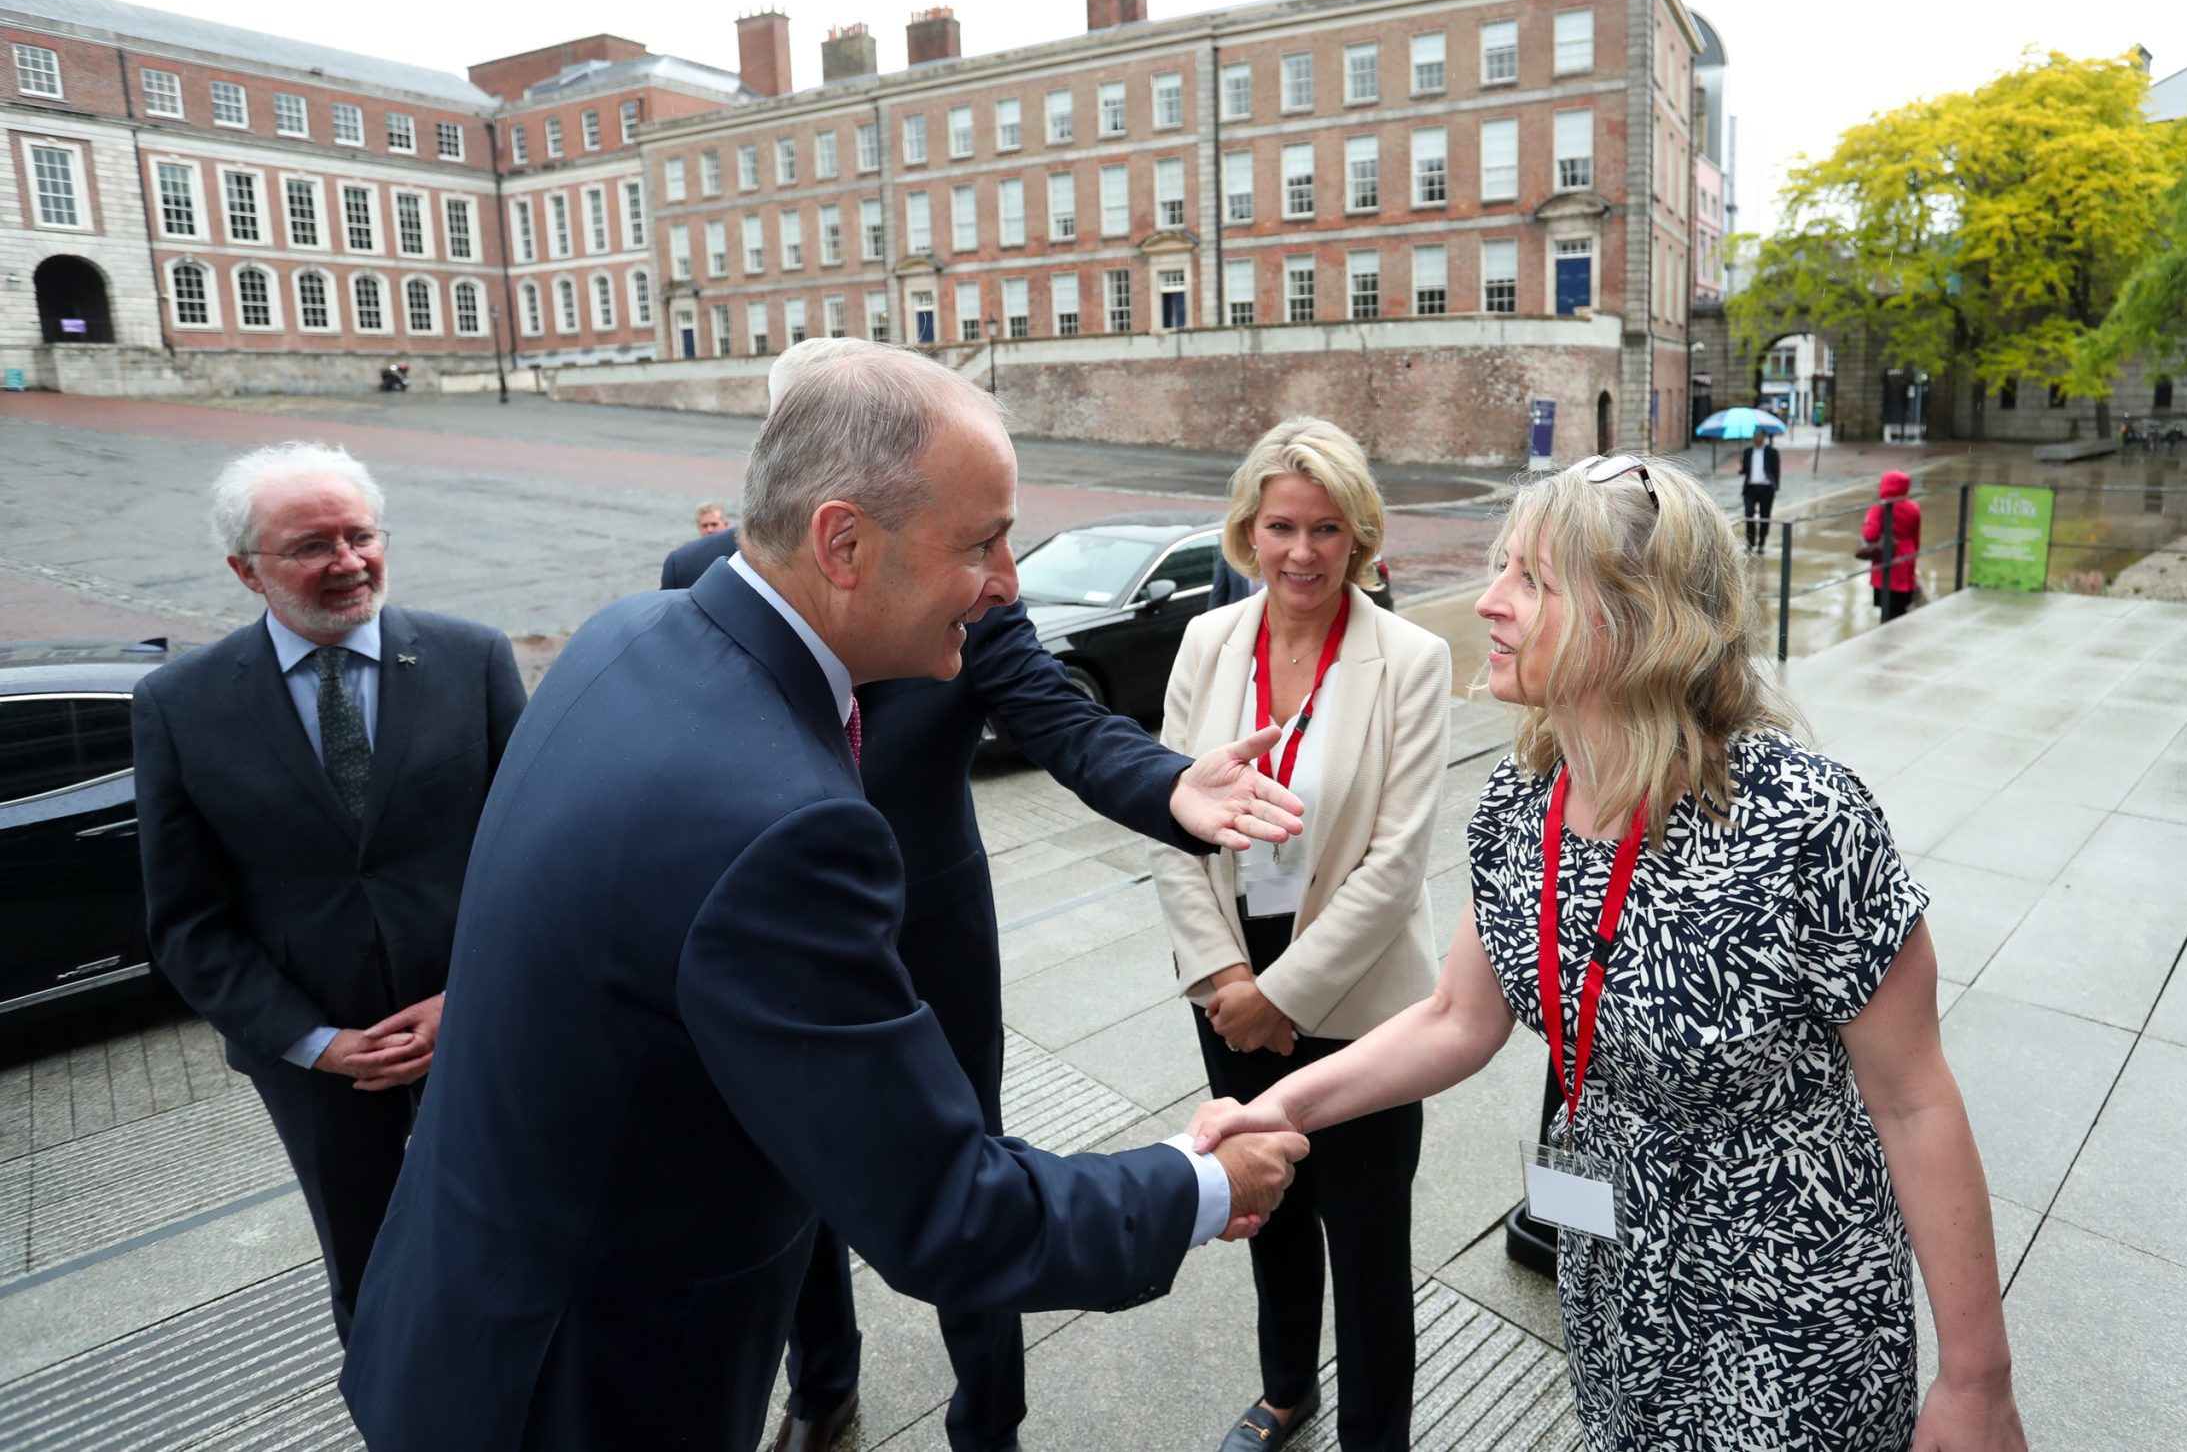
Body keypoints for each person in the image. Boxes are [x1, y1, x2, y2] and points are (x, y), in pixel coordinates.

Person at [341, 346, 1313, 1452]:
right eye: (981, 543)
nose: (1007, 579)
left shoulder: (622, 635)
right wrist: (1196, 1182)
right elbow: (947, 1211)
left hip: (462, 1322)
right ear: (842, 541)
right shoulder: (783, 831)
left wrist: (1174, 781)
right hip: (574, 1386)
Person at [1194, 453, 2025, 1451]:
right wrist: (1278, 1105)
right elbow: (1459, 1017)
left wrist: (1975, 1382)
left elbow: (1913, 1098)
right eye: (1500, 568)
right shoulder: (1519, 802)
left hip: (1788, 1291)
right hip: (1607, 1258)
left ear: (1639, 618)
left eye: (1531, 580)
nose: (1490, 604)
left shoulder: (1805, 820)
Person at [660, 340, 1308, 1452]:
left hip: (929, 935)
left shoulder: (971, 592)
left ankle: (988, 1420)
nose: (1005, 563)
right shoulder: (697, 577)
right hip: (773, 936)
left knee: (972, 1171)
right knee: (786, 1173)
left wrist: (1172, 786)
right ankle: (822, 1391)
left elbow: (1061, 722)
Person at [132, 443, 527, 1344]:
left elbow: (541, 853)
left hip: (486, 1027)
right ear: (245, 570)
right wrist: (318, 1045)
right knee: (372, 1275)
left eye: (360, 535)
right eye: (313, 545)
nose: (348, 562)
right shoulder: (177, 706)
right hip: (317, 1067)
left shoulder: (473, 658)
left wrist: (468, 997)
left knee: (520, 1237)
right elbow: (189, 924)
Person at [1152, 419, 1452, 1452]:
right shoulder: (1205, 643)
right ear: (1246, 531)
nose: (1303, 553)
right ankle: (1287, 1391)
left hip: (1360, 1000)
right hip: (1231, 984)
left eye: (1328, 529)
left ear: (1359, 536)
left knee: (1368, 1241)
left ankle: (1377, 1435)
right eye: (1281, 526)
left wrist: (1283, 997)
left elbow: (1398, 862)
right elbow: (1172, 823)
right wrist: (1228, 977)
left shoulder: (1410, 659)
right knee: (1261, 1208)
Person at [1863, 469, 1922, 623]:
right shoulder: (1913, 508)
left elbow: (1871, 534)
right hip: (1906, 562)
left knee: (1886, 612)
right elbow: (1916, 538)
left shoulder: (1880, 508)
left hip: (1886, 565)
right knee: (1899, 610)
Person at [1739, 426, 1781, 555]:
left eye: (1759, 437)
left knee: (1765, 516)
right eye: (1755, 437)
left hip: (1766, 488)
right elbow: (1745, 471)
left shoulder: (1771, 452)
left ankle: (1762, 542)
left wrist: (1775, 487)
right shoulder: (1747, 452)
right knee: (1749, 514)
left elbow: (1776, 471)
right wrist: (1742, 466)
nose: (1757, 439)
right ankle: (1750, 543)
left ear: (1764, 438)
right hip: (1750, 488)